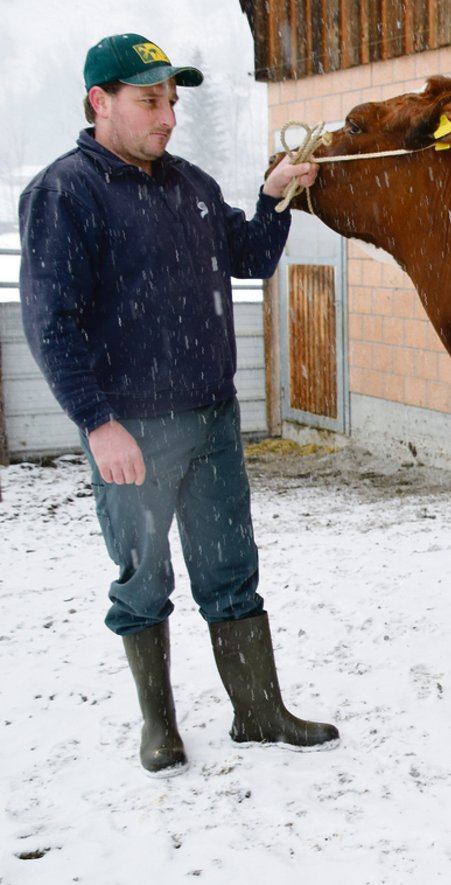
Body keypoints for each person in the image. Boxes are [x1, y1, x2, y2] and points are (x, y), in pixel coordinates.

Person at [19, 33, 338, 777]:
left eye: (172, 101)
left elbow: (251, 256)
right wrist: (97, 424)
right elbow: (50, 323)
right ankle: (158, 726)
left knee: (231, 569)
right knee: (143, 579)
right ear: (100, 102)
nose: (167, 117)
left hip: (212, 418)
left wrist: (275, 196)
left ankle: (258, 713)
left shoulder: (189, 184)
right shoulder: (66, 193)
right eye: (149, 100)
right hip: (130, 428)